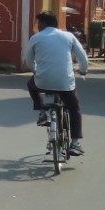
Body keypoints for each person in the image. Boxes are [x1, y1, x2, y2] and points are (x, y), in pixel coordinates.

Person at [23, 10, 88, 156]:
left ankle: (42, 112)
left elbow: (29, 61)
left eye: (38, 23)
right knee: (74, 108)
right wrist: (83, 70)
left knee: (31, 85)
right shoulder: (68, 36)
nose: (37, 26)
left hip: (42, 81)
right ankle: (75, 143)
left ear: (44, 23)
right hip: (65, 83)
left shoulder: (36, 38)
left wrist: (36, 71)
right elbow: (82, 57)